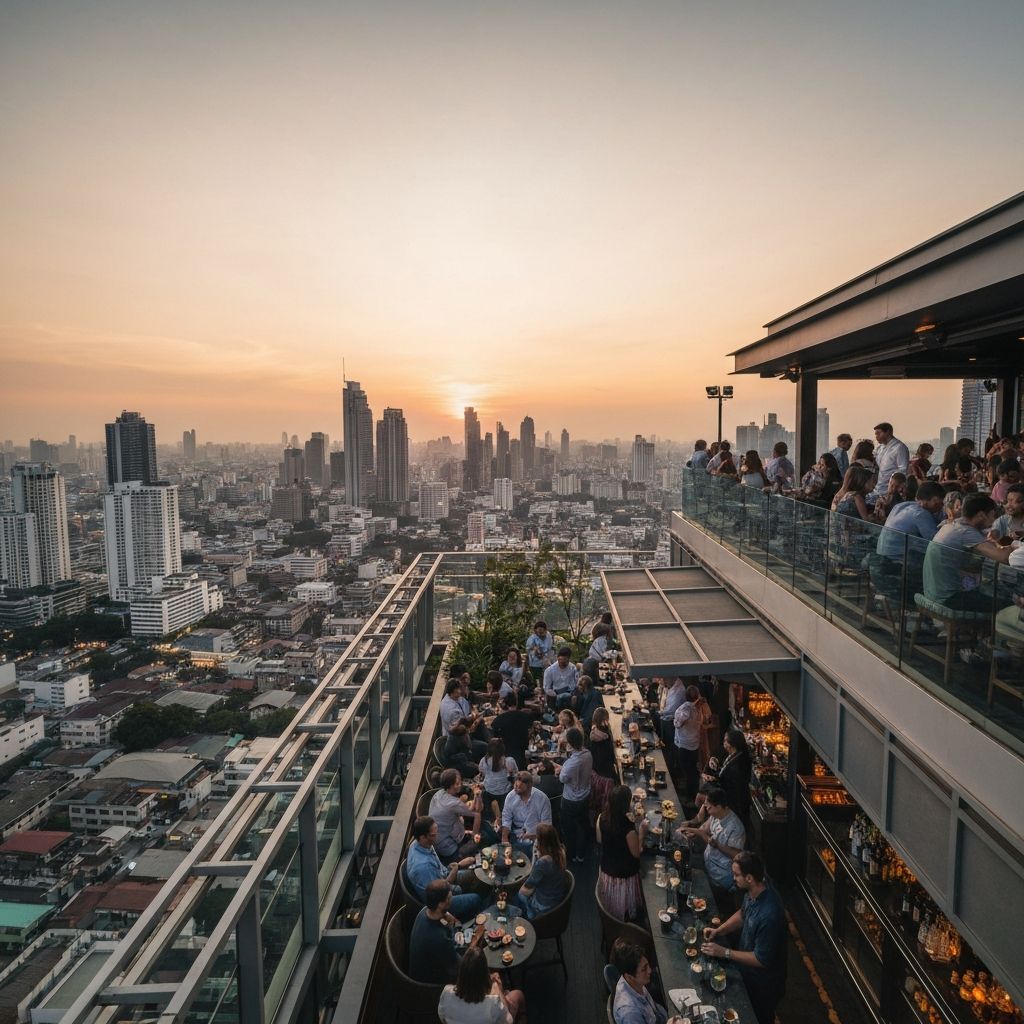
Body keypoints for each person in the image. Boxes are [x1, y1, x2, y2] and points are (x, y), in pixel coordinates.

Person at [701, 852, 787, 1024]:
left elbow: (760, 959)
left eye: (736, 875)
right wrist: (720, 931)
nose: (733, 878)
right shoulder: (754, 890)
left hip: (764, 985)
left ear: (749, 878)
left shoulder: (770, 915)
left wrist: (724, 952)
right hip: (748, 973)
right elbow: (743, 913)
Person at [923, 494, 1014, 611]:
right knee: (1009, 606)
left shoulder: (951, 525)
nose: (993, 521)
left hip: (932, 593)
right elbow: (1004, 558)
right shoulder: (966, 532)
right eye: (992, 515)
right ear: (981, 515)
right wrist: (1016, 546)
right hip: (949, 599)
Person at [676, 788, 746, 913]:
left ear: (719, 806)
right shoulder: (716, 815)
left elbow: (737, 855)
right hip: (707, 863)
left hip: (720, 876)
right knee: (681, 863)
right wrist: (692, 831)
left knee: (710, 905)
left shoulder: (735, 827)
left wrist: (717, 845)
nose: (707, 810)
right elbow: (705, 827)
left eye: (709, 807)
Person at [871, 481, 945, 596]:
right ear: (935, 500)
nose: (941, 507)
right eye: (941, 503)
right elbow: (936, 542)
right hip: (897, 567)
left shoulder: (901, 506)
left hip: (881, 562)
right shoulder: (921, 514)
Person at [405, 816, 483, 920]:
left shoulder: (418, 843)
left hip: (442, 877)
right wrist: (457, 868)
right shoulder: (423, 867)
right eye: (433, 835)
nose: (437, 836)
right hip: (438, 903)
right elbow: (442, 889)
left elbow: (441, 870)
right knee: (475, 899)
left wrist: (455, 866)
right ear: (423, 837)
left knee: (475, 874)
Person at [438, 945, 524, 1024]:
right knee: (518, 994)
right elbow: (509, 1021)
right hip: (499, 1012)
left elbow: (443, 1019)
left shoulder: (446, 992)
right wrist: (497, 989)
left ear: (462, 972)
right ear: (485, 973)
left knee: (506, 992)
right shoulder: (493, 1003)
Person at [597, 784, 646, 921]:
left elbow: (599, 839)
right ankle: (624, 922)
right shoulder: (628, 829)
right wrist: (641, 833)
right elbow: (637, 853)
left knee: (612, 911)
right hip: (624, 876)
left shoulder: (602, 817)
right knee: (625, 914)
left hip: (607, 871)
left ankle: (612, 918)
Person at [610, 939, 685, 1024]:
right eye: (644, 969)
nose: (649, 970)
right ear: (629, 977)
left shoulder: (631, 979)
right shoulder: (630, 1014)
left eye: (647, 965)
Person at [409, 879, 462, 984]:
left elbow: (445, 921)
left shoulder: (424, 911)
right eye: (449, 898)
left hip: (422, 967)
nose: (451, 899)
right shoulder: (439, 938)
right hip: (430, 983)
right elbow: (457, 967)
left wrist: (447, 918)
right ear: (441, 904)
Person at [702, 727, 752, 835]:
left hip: (733, 800)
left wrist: (713, 779)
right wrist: (716, 766)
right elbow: (725, 772)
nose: (723, 742)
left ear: (731, 744)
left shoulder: (737, 765)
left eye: (725, 740)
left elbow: (729, 784)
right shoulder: (736, 754)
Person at [512, 822, 567, 920]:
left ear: (542, 842)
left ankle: (529, 917)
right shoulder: (561, 851)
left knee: (518, 895)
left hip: (545, 905)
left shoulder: (543, 862)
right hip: (558, 898)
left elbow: (525, 890)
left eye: (538, 838)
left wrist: (519, 883)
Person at [554, 726, 592, 863]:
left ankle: (572, 855)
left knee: (569, 828)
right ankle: (582, 853)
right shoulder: (588, 754)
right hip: (585, 795)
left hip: (571, 799)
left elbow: (562, 779)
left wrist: (560, 769)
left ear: (570, 743)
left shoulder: (572, 763)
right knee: (582, 824)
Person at [430, 769, 483, 860]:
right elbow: (477, 811)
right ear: (450, 786)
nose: (460, 785)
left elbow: (450, 812)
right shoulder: (453, 803)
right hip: (449, 848)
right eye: (457, 783)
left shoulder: (438, 794)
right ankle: (473, 840)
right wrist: (477, 795)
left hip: (437, 839)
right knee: (482, 837)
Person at [500, 771, 552, 857]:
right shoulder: (511, 796)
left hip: (536, 836)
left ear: (530, 786)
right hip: (517, 833)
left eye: (519, 787)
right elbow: (506, 819)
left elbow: (547, 826)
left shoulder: (542, 799)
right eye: (515, 786)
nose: (516, 790)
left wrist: (534, 836)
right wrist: (504, 839)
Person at [672, 684, 704, 797]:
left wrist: (675, 722)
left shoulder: (686, 708)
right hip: (694, 744)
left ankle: (689, 796)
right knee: (692, 771)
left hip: (684, 745)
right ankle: (691, 794)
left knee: (689, 772)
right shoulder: (697, 707)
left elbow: (679, 723)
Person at [490, 690, 534, 769]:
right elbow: (531, 734)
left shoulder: (497, 721)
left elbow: (494, 740)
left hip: (505, 758)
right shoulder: (525, 717)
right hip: (522, 755)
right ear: (516, 703)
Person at [868, 422, 910, 503]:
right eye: (875, 434)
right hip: (876, 489)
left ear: (888, 432)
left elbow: (902, 470)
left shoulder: (900, 447)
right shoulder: (879, 448)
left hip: (889, 491)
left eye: (878, 433)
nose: (876, 437)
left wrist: (893, 487)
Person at [589, 705, 618, 819]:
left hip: (596, 769)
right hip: (605, 770)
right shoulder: (605, 734)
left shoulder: (594, 730)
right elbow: (609, 753)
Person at [479, 738, 517, 821]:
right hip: (504, 792)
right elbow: (515, 774)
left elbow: (483, 773)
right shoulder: (509, 761)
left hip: (489, 790)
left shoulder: (484, 760)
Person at [658, 677, 687, 772]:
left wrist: (658, 712)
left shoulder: (679, 690)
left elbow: (671, 710)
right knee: (665, 744)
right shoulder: (670, 686)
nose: (661, 681)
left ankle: (671, 770)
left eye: (663, 679)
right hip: (665, 719)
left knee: (671, 746)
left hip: (671, 722)